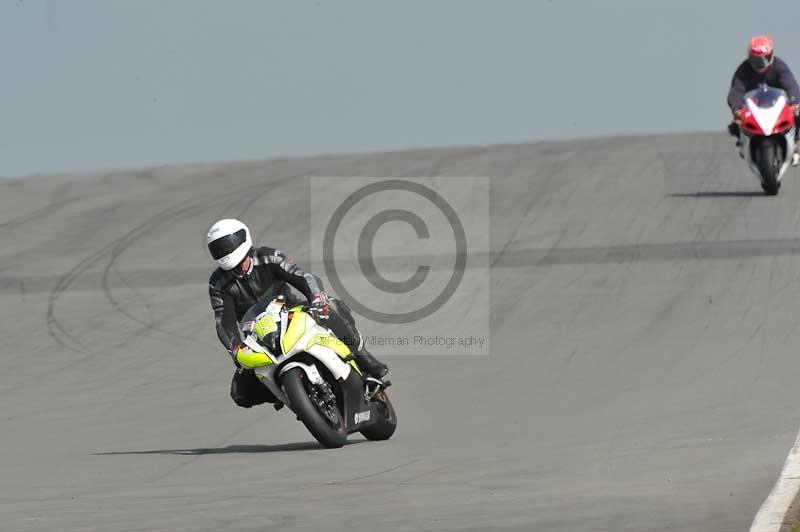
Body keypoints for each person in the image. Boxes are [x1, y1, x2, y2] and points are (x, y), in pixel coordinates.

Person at [206, 218, 388, 409]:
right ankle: (284, 391)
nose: (237, 267)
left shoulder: (268, 256)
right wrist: (235, 348)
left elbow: (302, 276)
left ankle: (362, 356)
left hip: (291, 312)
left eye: (239, 262)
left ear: (244, 242)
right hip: (258, 334)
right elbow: (223, 321)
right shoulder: (217, 283)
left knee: (332, 308)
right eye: (219, 249)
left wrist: (317, 297)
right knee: (240, 393)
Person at [727, 35, 800, 166]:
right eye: (755, 60)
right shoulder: (744, 69)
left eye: (763, 58)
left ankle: (794, 143)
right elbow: (736, 90)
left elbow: (790, 84)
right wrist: (736, 108)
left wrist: (794, 102)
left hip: (776, 104)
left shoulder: (779, 66)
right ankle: (743, 143)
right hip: (754, 106)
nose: (760, 63)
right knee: (735, 123)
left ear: (771, 55)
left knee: (797, 116)